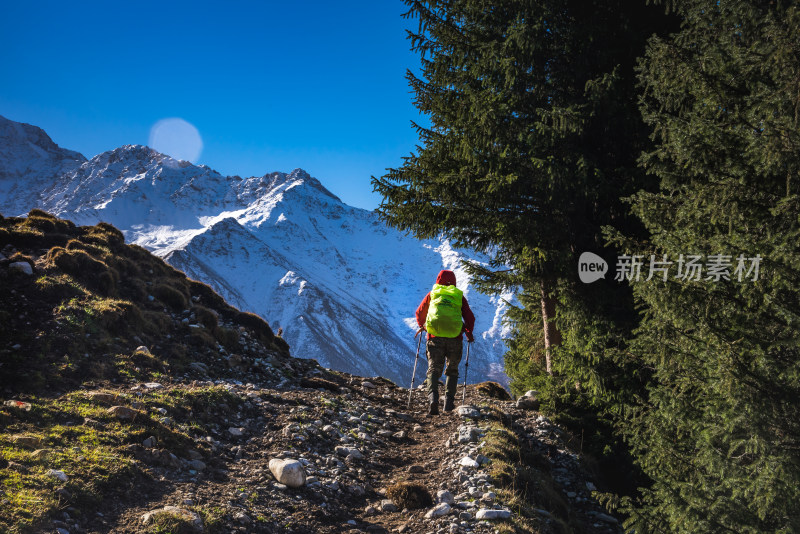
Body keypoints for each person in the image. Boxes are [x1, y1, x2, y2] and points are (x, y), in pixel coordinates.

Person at [415, 269, 475, 415]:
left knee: (434, 369)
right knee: (452, 370)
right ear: (454, 281)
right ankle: (448, 404)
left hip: (435, 337)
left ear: (438, 280)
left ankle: (433, 399)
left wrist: (423, 326)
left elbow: (419, 313)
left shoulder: (432, 295)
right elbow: (470, 319)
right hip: (455, 339)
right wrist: (467, 331)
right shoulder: (458, 297)